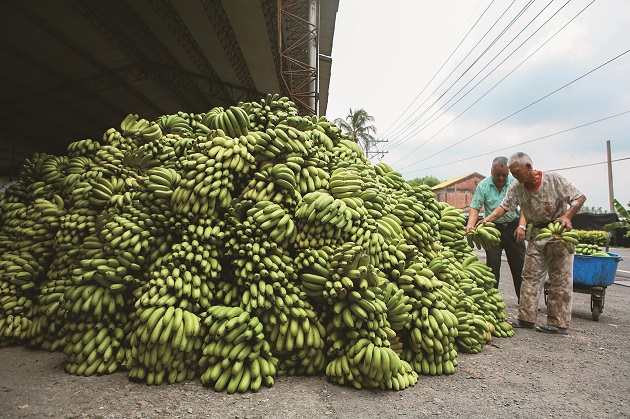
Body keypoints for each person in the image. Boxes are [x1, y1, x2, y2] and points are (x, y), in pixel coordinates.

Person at [476, 152, 586, 335]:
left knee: (560, 279)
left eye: (517, 172)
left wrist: (567, 216)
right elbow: (504, 207)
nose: (515, 177)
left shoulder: (552, 180)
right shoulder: (516, 187)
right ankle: (526, 318)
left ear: (529, 167)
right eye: (513, 173)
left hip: (557, 233)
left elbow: (579, 197)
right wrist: (487, 219)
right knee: (529, 277)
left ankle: (558, 323)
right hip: (535, 234)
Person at [466, 156, 526, 301]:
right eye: (497, 174)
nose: (500, 178)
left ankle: (524, 301)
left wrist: (522, 226)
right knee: (492, 265)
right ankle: (491, 300)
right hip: (492, 228)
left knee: (519, 265)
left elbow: (525, 206)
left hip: (513, 227)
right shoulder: (484, 186)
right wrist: (470, 224)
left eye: (504, 175)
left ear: (509, 173)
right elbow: (475, 207)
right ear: (491, 171)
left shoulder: (515, 184)